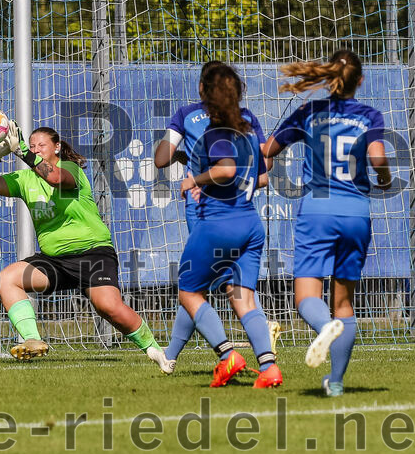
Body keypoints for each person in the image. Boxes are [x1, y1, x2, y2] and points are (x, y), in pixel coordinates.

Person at [0, 121, 169, 370]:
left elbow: (56, 178)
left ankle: (154, 348)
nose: (35, 149)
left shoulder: (70, 169)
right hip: (54, 260)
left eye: (41, 145)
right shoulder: (24, 179)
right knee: (6, 279)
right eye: (32, 145)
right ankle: (32, 340)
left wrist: (23, 151)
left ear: (56, 148)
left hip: (92, 253)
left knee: (108, 307)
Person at [262, 49, 391, 397]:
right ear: (359, 81)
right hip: (356, 210)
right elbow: (377, 156)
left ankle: (324, 327)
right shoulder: (369, 115)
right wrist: (385, 177)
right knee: (344, 302)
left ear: (328, 76)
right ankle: (334, 382)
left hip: (317, 208)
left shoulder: (310, 111)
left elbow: (269, 149)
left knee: (306, 296)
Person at [154, 61, 280, 373]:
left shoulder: (196, 120)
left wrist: (196, 173)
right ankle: (267, 363)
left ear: (202, 89)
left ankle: (225, 355)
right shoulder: (247, 120)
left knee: (192, 287)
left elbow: (162, 159)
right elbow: (263, 175)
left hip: (209, 215)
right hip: (248, 217)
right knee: (236, 291)